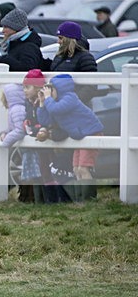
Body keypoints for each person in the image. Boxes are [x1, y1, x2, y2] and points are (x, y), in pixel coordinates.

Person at [37, 74, 104, 202]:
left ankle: (89, 200)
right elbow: (44, 121)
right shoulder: (54, 103)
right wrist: (42, 103)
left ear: (59, 88)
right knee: (76, 169)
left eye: (51, 89)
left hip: (91, 133)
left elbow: (56, 109)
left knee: (83, 168)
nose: (49, 93)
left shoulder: (70, 98)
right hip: (81, 136)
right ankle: (81, 200)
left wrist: (47, 99)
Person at [22, 69, 70, 204]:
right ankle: (50, 199)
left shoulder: (43, 101)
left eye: (27, 87)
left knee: (53, 168)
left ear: (37, 88)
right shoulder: (29, 103)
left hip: (48, 138)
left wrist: (38, 128)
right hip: (39, 139)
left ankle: (60, 198)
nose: (24, 90)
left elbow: (48, 119)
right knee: (43, 169)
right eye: (23, 87)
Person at [50, 21, 97, 104]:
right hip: (57, 106)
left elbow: (91, 87)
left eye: (61, 38)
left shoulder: (85, 57)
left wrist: (71, 102)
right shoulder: (59, 56)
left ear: (69, 39)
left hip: (76, 110)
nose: (58, 41)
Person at [0, 8, 44, 72]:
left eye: (6, 27)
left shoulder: (29, 47)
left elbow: (28, 68)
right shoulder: (13, 43)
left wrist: (4, 59)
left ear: (15, 27)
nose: (3, 31)